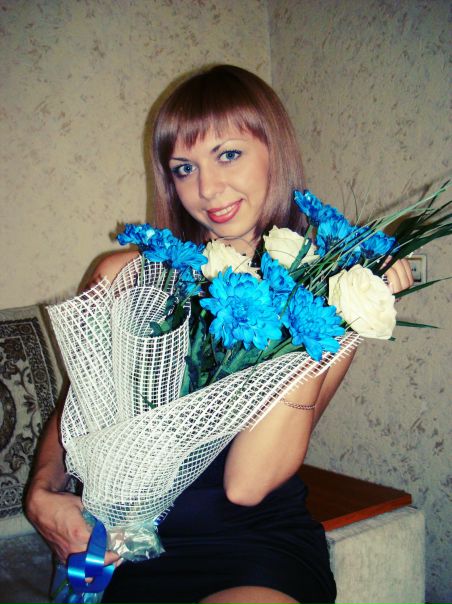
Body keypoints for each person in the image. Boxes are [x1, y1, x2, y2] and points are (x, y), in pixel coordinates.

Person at [26, 65, 413, 604]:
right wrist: (41, 496)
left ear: (275, 152)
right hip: (128, 546)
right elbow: (77, 407)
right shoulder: (126, 278)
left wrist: (337, 309)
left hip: (256, 547)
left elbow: (248, 485)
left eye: (228, 154)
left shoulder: (332, 291)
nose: (206, 189)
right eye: (184, 168)